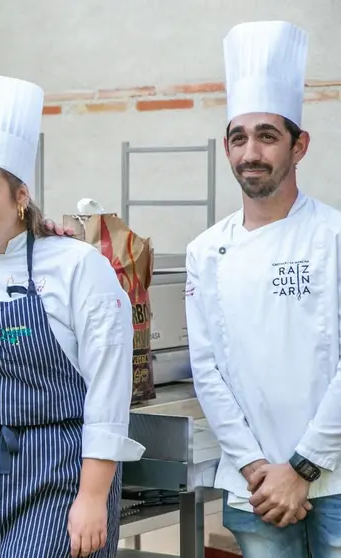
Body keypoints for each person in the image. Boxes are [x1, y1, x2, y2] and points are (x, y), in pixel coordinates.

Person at [0, 70, 145, 558]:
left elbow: (108, 390)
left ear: (21, 197)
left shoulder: (78, 265)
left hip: (53, 471)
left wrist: (92, 497)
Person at [187, 21, 341, 557]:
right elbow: (208, 369)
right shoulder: (205, 250)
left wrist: (302, 467)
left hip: (338, 478)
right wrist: (257, 467)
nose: (250, 152)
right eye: (238, 137)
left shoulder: (335, 235)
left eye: (267, 136)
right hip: (252, 485)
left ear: (299, 146)